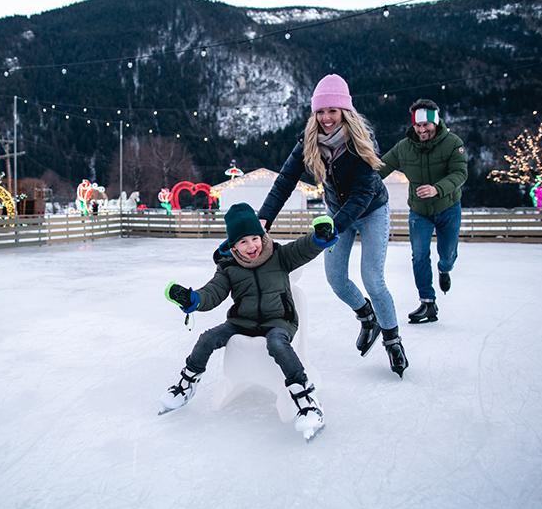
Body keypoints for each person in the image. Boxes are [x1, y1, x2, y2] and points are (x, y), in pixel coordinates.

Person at [258, 74, 408, 378]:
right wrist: (264, 217)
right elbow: (286, 180)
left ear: (345, 112)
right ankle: (368, 318)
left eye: (333, 111)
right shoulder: (309, 139)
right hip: (337, 213)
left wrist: (334, 227)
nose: (326, 118)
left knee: (373, 279)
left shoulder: (362, 138)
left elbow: (364, 192)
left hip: (371, 211)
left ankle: (393, 341)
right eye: (321, 111)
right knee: (336, 278)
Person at [160, 203, 337, 441]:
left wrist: (319, 238)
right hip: (242, 322)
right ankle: (186, 385)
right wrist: (193, 299)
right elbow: (212, 292)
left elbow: (302, 248)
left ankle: (307, 399)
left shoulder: (279, 255)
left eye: (255, 238)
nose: (252, 246)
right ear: (234, 247)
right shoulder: (228, 269)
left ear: (262, 236)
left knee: (277, 343)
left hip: (278, 320)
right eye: (243, 242)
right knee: (207, 338)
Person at [379, 99, 468, 324]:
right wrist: (357, 181)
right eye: (417, 125)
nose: (421, 130)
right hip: (419, 211)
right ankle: (427, 302)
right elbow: (380, 168)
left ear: (435, 123)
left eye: (426, 125)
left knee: (447, 254)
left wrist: (437, 189)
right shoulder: (404, 147)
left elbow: (460, 174)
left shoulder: (453, 143)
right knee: (419, 255)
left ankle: (445, 268)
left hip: (448, 207)